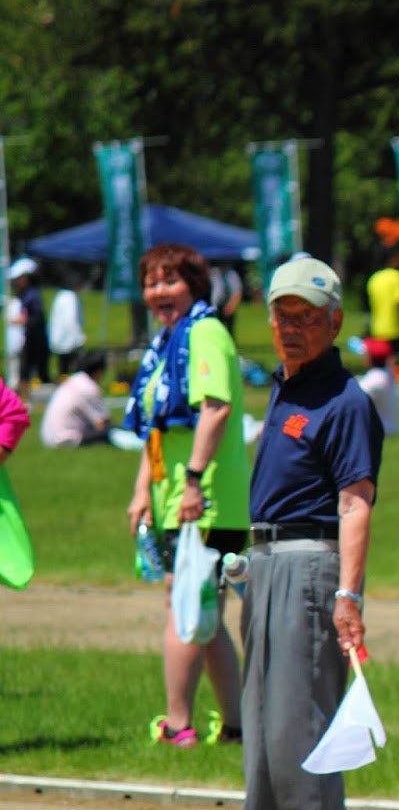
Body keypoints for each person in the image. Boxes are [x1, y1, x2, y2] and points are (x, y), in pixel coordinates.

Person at [190, 256, 382, 810]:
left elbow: (356, 501)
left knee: (300, 725)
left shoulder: (345, 400)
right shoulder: (286, 388)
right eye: (282, 315)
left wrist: (348, 595)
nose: (291, 327)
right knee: (267, 724)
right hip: (266, 561)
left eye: (306, 317)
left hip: (310, 566)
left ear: (334, 323)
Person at [122, 243, 248, 749]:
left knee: (185, 609)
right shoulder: (166, 343)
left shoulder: (205, 333)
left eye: (169, 281)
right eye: (151, 283)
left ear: (194, 286)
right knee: (206, 612)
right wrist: (142, 492)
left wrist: (192, 481)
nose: (159, 292)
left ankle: (177, 726)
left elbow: (214, 408)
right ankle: (236, 726)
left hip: (206, 499)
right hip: (176, 496)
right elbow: (157, 428)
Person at [40, 351, 114, 448]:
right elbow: (102, 423)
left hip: (48, 437)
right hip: (65, 439)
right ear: (99, 371)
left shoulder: (74, 380)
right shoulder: (89, 387)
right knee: (111, 433)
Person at [365, 246, 399, 377]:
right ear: (393, 258)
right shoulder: (397, 277)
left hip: (376, 328)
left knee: (379, 363)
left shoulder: (374, 278)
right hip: (393, 328)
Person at [8, 258, 48, 399]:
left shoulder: (32, 295)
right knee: (24, 370)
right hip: (28, 338)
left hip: (35, 339)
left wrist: (24, 321)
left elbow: (38, 318)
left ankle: (29, 397)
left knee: (34, 371)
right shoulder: (24, 295)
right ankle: (25, 396)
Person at [357, 338, 399, 436]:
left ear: (369, 358)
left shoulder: (372, 381)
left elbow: (353, 402)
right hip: (390, 427)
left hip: (376, 431)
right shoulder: (387, 374)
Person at [47, 284, 86, 382]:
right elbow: (71, 320)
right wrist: (78, 338)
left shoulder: (60, 296)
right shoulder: (70, 298)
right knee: (74, 368)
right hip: (70, 340)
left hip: (60, 338)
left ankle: (64, 383)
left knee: (63, 368)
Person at [209, 262, 244, 335]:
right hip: (215, 305)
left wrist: (231, 305)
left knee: (229, 330)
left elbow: (237, 292)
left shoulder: (231, 274)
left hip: (227, 304)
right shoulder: (213, 273)